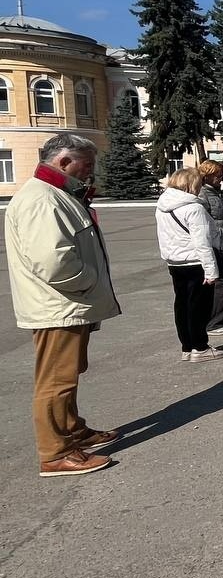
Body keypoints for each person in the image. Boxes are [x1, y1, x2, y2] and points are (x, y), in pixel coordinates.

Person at [5, 134, 123, 477]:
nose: (91, 171)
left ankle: (73, 431)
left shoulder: (56, 195)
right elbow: (53, 263)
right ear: (65, 162)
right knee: (57, 381)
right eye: (87, 164)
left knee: (68, 375)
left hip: (67, 304)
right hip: (59, 306)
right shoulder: (43, 199)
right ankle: (55, 453)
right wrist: (89, 281)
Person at [156, 168, 223, 363]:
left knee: (182, 305)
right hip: (196, 262)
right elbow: (202, 242)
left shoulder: (162, 205)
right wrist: (211, 270)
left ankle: (187, 347)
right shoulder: (194, 208)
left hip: (175, 261)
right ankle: (200, 346)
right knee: (199, 307)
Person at [197, 160, 223, 335]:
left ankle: (221, 317)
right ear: (207, 175)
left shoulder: (213, 193)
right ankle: (214, 322)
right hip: (216, 244)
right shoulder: (203, 194)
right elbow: (203, 222)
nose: (222, 178)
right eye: (218, 176)